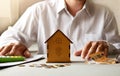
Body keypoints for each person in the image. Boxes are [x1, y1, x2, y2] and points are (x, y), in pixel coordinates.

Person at [0, 0, 120, 60]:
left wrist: (108, 46)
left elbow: (117, 46)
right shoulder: (39, 11)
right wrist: (13, 45)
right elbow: (7, 38)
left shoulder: (105, 14)